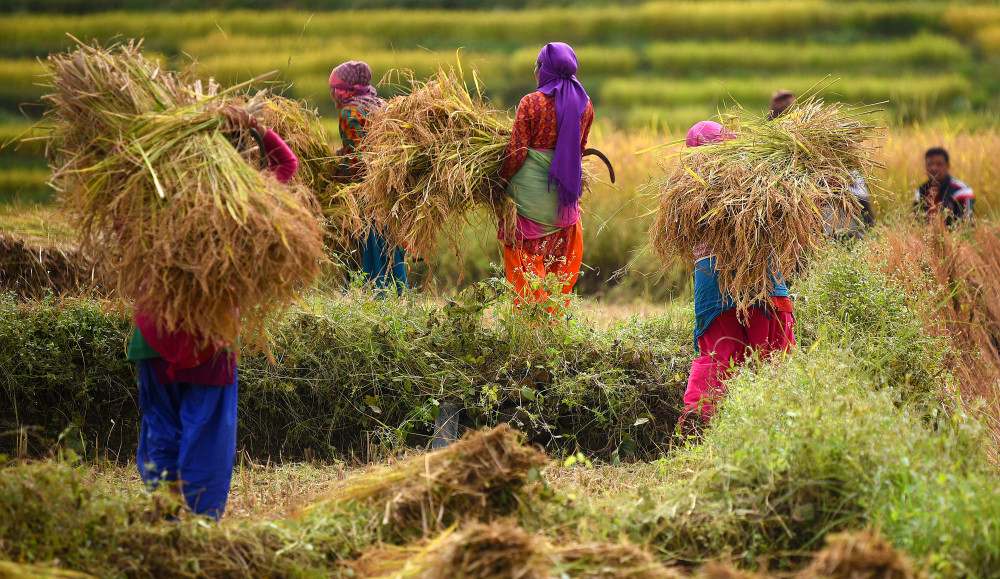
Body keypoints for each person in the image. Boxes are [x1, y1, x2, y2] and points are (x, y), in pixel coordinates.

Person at [128, 106, 299, 520]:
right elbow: (286, 163)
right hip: (209, 338)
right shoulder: (244, 205)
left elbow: (126, 166)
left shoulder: (158, 193)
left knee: (161, 430)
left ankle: (164, 516)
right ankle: (201, 524)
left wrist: (174, 129)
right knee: (206, 435)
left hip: (154, 332)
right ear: (236, 161)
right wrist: (253, 124)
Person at [679, 121, 796, 434]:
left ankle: (699, 415)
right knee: (772, 351)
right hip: (760, 273)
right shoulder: (760, 176)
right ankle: (780, 422)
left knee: (718, 350)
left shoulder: (686, 188)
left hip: (711, 276)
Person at [498, 41, 594, 305]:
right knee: (557, 270)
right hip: (564, 202)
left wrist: (498, 181)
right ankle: (552, 328)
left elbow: (517, 152)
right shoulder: (585, 105)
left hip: (528, 202)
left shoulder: (531, 102)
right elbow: (580, 149)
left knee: (526, 268)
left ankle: (531, 327)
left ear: (544, 68)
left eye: (538, 66)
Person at [329, 60, 408, 293]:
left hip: (368, 191)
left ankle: (377, 295)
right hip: (388, 187)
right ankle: (397, 295)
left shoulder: (350, 111)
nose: (334, 93)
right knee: (390, 243)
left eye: (337, 87)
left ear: (347, 89)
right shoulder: (379, 103)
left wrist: (334, 172)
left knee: (372, 245)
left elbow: (356, 159)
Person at [913, 146, 974, 227]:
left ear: (948, 166)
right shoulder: (920, 190)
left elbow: (967, 225)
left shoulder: (962, 190)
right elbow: (916, 223)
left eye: (939, 164)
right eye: (930, 164)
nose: (933, 168)